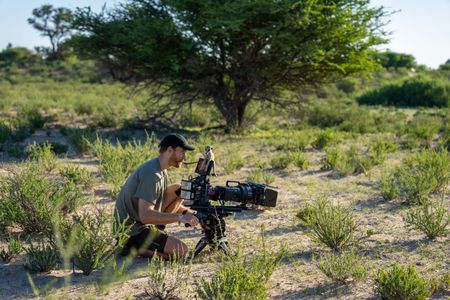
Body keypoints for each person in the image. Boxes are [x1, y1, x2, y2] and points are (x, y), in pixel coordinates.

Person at [114, 133, 200, 259]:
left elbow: (160, 201)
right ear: (170, 150)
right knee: (181, 250)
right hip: (131, 231)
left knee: (179, 189)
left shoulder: (160, 169)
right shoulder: (152, 174)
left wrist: (188, 213)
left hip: (139, 223)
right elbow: (145, 216)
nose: (184, 158)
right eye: (181, 152)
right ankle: (132, 248)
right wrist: (180, 217)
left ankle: (142, 242)